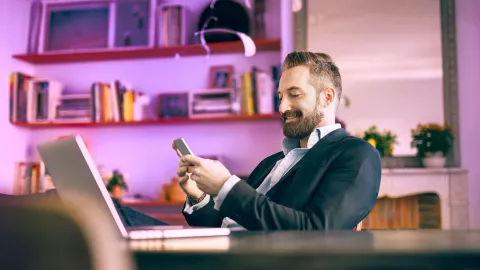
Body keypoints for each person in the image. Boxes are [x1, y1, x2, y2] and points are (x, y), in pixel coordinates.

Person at [173, 51, 382, 230]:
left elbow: (316, 230)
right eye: (281, 97)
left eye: (294, 95)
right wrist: (199, 196)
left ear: (327, 97)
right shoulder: (269, 164)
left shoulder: (356, 155)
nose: (282, 108)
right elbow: (225, 226)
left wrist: (226, 187)